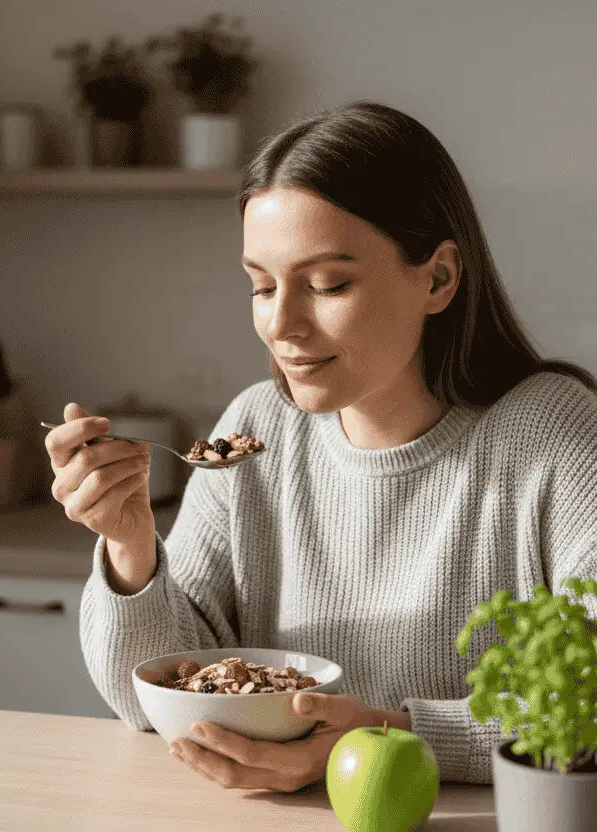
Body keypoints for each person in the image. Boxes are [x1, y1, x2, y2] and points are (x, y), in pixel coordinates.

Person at [45, 101, 597, 791]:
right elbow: (153, 702)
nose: (282, 324)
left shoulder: (556, 434)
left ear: (438, 278)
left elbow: (588, 705)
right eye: (261, 286)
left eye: (327, 285)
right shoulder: (256, 431)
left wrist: (382, 738)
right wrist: (130, 547)